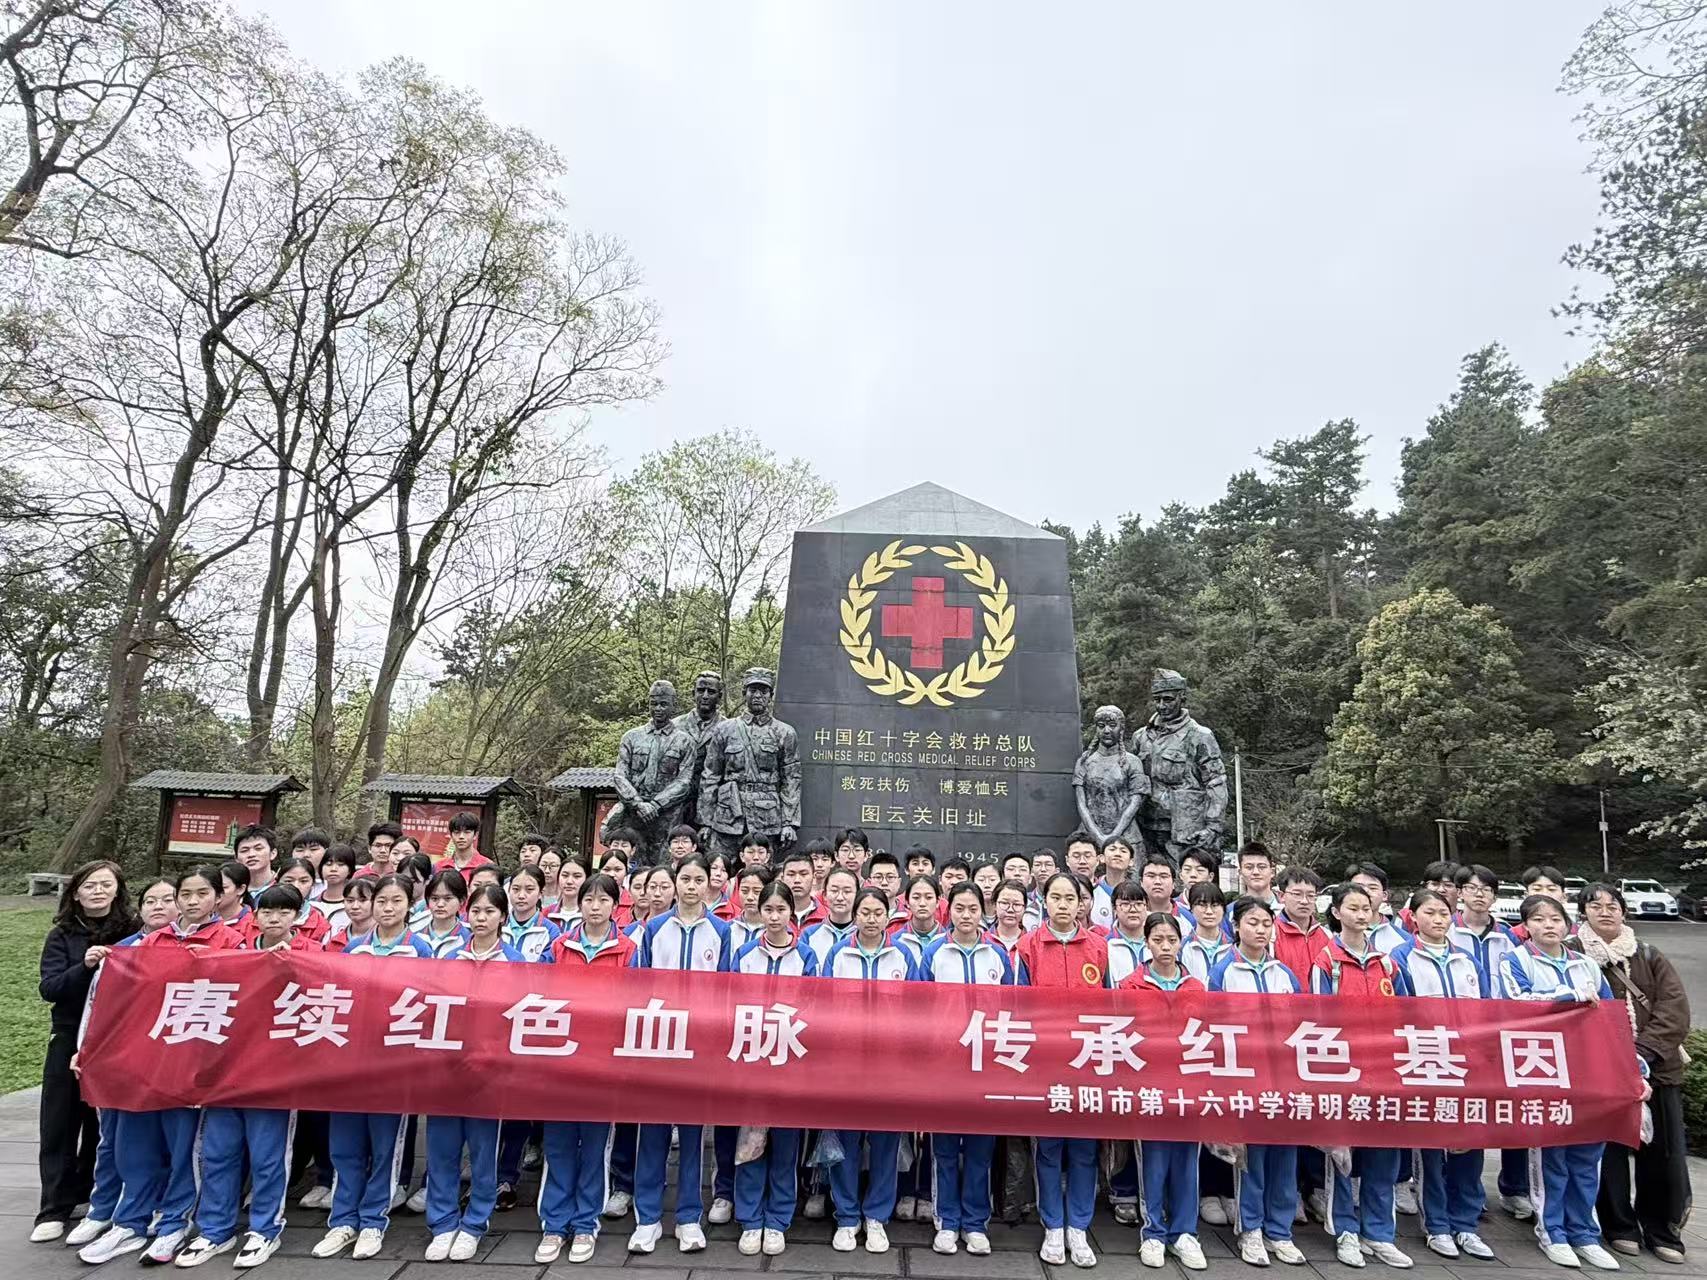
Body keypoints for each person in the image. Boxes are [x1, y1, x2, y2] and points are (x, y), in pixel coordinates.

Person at [78, 866, 239, 1266]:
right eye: (185, 894)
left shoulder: (232, 941)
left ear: (218, 897)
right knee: (135, 1147)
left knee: (184, 1149)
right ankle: (129, 1221)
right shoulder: (150, 942)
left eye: (202, 893)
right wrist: (89, 1048)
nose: (192, 901)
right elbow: (117, 1001)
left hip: (194, 1065)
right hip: (145, 1061)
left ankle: (173, 1223)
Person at [174, 884, 314, 1271]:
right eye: (267, 911)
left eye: (284, 912)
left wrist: (290, 967)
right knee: (218, 1153)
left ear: (298, 917)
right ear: (254, 916)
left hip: (274, 1076)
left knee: (268, 1156)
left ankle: (265, 1229)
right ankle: (214, 1230)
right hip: (228, 1070)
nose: (274, 919)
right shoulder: (236, 952)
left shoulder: (312, 956)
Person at [1501, 894, 1631, 1271]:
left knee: (1587, 1158)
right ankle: (1552, 1231)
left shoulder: (1585, 964)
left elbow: (1611, 1020)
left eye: (1556, 919)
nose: (1549, 925)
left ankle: (1584, 1233)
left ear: (1568, 924)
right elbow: (1517, 1005)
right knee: (1552, 1156)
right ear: (1526, 926)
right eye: (1539, 919)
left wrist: (1632, 1068)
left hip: (1588, 1070)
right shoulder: (1516, 960)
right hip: (1542, 1069)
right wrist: (1569, 997)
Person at [313, 875, 433, 1262]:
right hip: (353, 1062)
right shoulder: (354, 948)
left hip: (393, 1064)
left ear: (409, 906)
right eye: (381, 900)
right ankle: (342, 1220)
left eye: (396, 901)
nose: (387, 908)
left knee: (385, 1149)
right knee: (345, 1147)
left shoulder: (420, 949)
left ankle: (372, 1221)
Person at [1571, 883, 1691, 1266]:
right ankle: (1619, 1225)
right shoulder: (1573, 954)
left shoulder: (1648, 954)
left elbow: (1674, 1008)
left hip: (1656, 1069)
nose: (1605, 912)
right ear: (1583, 913)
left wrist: (1642, 1054)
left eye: (1613, 905)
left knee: (1663, 1152)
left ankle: (1661, 1229)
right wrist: (1613, 1056)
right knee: (1609, 1151)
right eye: (1595, 906)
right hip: (1600, 1070)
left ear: (1624, 911)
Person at [32, 861, 139, 1245]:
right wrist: (86, 966)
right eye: (90, 885)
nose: (98, 891)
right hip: (68, 1035)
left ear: (118, 890)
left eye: (106, 884)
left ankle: (91, 1194)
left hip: (116, 1037)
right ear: (75, 892)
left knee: (103, 1122)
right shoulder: (61, 934)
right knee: (60, 1121)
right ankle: (53, 1208)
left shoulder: (134, 931)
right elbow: (50, 988)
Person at [630, 855, 731, 1256]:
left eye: (698, 879)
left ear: (709, 884)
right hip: (658, 1042)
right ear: (675, 883)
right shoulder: (654, 928)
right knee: (652, 1134)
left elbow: (727, 991)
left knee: (692, 1137)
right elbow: (637, 986)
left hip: (699, 1046)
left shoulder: (721, 931)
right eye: (685, 878)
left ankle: (689, 1217)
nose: (691, 886)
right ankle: (648, 1219)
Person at [1310, 882, 1412, 1269]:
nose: (1360, 914)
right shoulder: (1327, 962)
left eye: (1365, 908)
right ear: (1336, 912)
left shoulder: (1387, 963)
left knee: (1383, 1156)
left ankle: (1379, 1233)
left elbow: (1406, 1014)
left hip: (1384, 1071)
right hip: (1344, 1070)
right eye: (1352, 908)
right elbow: (1318, 1018)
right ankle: (1345, 1231)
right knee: (1343, 1157)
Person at [537, 874, 635, 1264]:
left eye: (603, 900)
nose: (595, 907)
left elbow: (635, 1002)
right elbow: (539, 995)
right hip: (561, 1060)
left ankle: (584, 1224)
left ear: (616, 905)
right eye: (588, 899)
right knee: (558, 1144)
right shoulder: (559, 947)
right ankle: (554, 1224)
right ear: (578, 904)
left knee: (595, 1147)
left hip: (602, 1063)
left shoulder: (628, 949)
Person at [1208, 896, 1306, 1267]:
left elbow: (1301, 1025)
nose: (1261, 930)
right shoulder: (1223, 972)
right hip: (1246, 1079)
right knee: (1251, 1159)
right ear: (1236, 926)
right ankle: (1250, 1229)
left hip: (1283, 1079)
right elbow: (1214, 1028)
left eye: (1266, 923)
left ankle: (1280, 1231)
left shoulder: (1284, 974)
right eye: (1252, 922)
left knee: (1284, 1156)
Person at [1016, 871, 1107, 1268]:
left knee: (1085, 1148)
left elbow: (1112, 1008)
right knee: (1049, 1147)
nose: (1065, 905)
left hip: (1088, 1060)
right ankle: (1053, 1224)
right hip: (1047, 1062)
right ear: (1044, 901)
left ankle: (1079, 1227)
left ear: (1082, 903)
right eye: (1057, 897)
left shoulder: (1099, 948)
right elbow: (1018, 1007)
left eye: (1072, 898)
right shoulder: (1028, 946)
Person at [422, 883, 518, 1262]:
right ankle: (442, 1222)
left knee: (482, 1152)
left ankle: (475, 1222)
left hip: (488, 1074)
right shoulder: (449, 957)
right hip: (446, 1070)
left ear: (503, 917)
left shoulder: (514, 961)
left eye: (490, 911)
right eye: (476, 911)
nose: (481, 918)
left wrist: (491, 1058)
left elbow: (517, 1020)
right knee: (442, 1150)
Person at [919, 883, 1015, 1257]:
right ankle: (947, 1220)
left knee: (980, 1148)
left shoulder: (997, 954)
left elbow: (1014, 1006)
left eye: (973, 908)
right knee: (944, 1147)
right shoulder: (934, 953)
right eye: (959, 908)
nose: (966, 915)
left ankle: (975, 1223)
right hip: (945, 1064)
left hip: (986, 1064)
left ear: (982, 911)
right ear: (950, 911)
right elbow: (919, 1007)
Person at [823, 888, 919, 1254]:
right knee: (845, 1143)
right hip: (845, 1066)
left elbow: (918, 1009)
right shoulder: (838, 954)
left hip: (889, 1068)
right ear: (855, 914)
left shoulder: (903, 956)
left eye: (878, 912)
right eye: (865, 912)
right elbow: (823, 1007)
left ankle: (877, 1216)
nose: (871, 919)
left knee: (885, 1143)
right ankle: (847, 1217)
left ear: (889, 914)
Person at [727, 883, 815, 1257]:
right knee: (750, 1142)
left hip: (790, 1060)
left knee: (785, 1145)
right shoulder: (745, 954)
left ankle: (778, 1219)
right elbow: (729, 1004)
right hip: (751, 1059)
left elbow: (814, 1008)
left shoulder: (806, 956)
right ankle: (750, 1218)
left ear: (792, 913)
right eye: (769, 909)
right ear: (759, 912)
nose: (775, 917)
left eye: (781, 909)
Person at [1119, 912, 1208, 1271]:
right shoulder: (1131, 985)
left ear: (1181, 942)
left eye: (1172, 940)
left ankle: (1185, 1233)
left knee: (1186, 1161)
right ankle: (1154, 1232)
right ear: (1146, 943)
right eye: (1158, 940)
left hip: (1188, 1085)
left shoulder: (1196, 987)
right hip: (1150, 1084)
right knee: (1153, 1162)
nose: (1166, 947)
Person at [1272, 866, 1328, 979]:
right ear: (1281, 896)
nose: (1304, 901)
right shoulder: (1271, 935)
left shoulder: (1327, 935)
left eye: (1311, 895)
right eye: (1297, 894)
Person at [801, 866, 858, 969]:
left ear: (857, 895)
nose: (840, 897)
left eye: (847, 891)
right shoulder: (809, 935)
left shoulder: (865, 935)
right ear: (825, 895)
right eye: (834, 891)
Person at [501, 865, 560, 962]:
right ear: (508, 890)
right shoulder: (496, 926)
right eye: (516, 889)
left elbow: (546, 967)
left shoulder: (550, 931)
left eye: (529, 889)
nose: (521, 896)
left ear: (540, 893)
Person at [276, 857, 330, 946]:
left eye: (303, 881)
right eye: (288, 881)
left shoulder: (320, 924)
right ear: (277, 881)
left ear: (312, 884)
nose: (296, 886)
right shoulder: (258, 918)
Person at [418, 869, 471, 956]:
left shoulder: (469, 938)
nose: (440, 904)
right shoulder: (415, 935)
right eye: (435, 898)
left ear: (462, 901)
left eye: (448, 898)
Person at [1090, 836, 1136, 930]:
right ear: (1102, 858)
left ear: (1131, 861)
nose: (1117, 854)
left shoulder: (1136, 894)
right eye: (1112, 849)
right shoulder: (1092, 891)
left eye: (1123, 851)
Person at [313, 844, 357, 934]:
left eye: (340, 865)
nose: (333, 869)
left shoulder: (355, 905)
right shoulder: (311, 904)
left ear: (350, 870)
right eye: (328, 864)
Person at [434, 811, 492, 877]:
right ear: (451, 835)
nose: (461, 836)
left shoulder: (487, 866)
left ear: (475, 835)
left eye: (467, 832)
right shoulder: (438, 866)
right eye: (457, 832)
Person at [233, 824, 278, 895]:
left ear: (273, 853)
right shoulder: (230, 890)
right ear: (236, 858)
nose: (251, 854)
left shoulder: (284, 885)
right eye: (244, 850)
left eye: (258, 848)